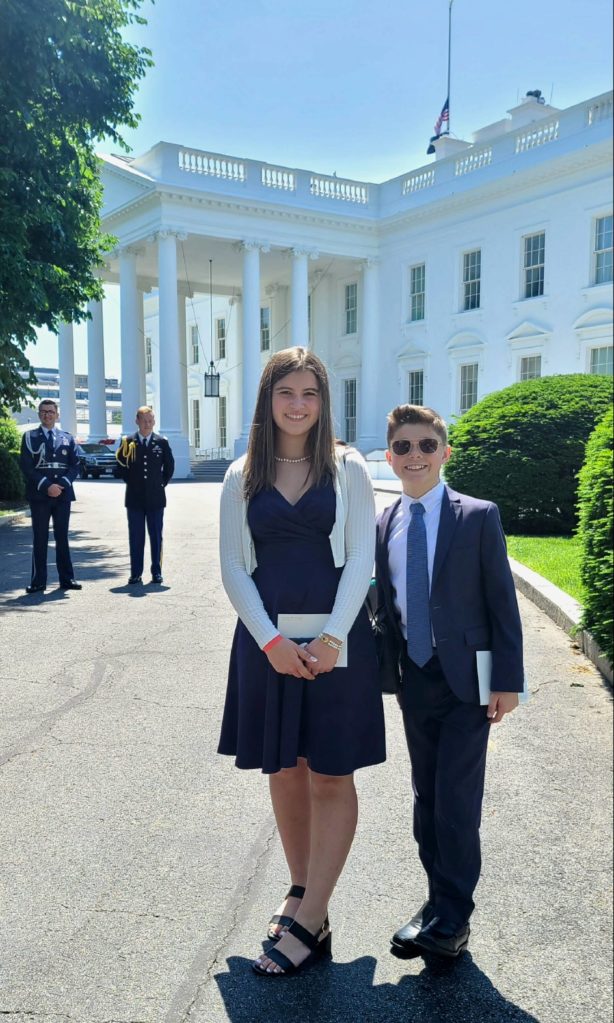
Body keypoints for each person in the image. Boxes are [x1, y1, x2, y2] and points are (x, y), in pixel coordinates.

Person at [218, 347, 385, 977]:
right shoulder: (244, 474)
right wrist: (271, 643)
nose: (297, 405)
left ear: (323, 401)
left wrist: (333, 639)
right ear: (267, 399)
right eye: (285, 392)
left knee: (330, 773)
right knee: (284, 768)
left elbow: (362, 561)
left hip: (336, 641)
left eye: (309, 394)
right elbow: (233, 566)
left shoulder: (348, 467)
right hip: (268, 643)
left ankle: (312, 917)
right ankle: (299, 893)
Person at [375, 404, 524, 960]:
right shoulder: (384, 522)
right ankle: (435, 902)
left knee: (456, 803)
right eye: (404, 448)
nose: (416, 456)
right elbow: (383, 605)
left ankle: (454, 920)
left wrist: (507, 681)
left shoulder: (477, 515)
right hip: (414, 679)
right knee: (425, 799)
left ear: (445, 452)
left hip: (467, 681)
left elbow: (501, 604)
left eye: (426, 446)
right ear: (390, 457)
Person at [19, 399, 82, 594]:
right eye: (44, 411)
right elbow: (27, 466)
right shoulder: (30, 437)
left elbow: (75, 465)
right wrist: (46, 486)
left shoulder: (67, 438)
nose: (48, 415)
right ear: (39, 414)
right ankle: (38, 581)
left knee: (62, 537)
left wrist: (61, 485)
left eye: (51, 411)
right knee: (40, 538)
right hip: (40, 495)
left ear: (57, 415)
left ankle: (67, 579)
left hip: (62, 495)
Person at [115, 406, 175, 585]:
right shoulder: (128, 442)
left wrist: (160, 484)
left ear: (154, 421)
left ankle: (156, 571)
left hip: (156, 498)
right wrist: (133, 483)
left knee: (156, 536)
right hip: (134, 498)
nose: (148, 424)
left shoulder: (161, 442)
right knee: (136, 536)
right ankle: (136, 573)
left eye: (150, 420)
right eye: (144, 420)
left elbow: (169, 467)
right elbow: (121, 467)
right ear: (137, 421)